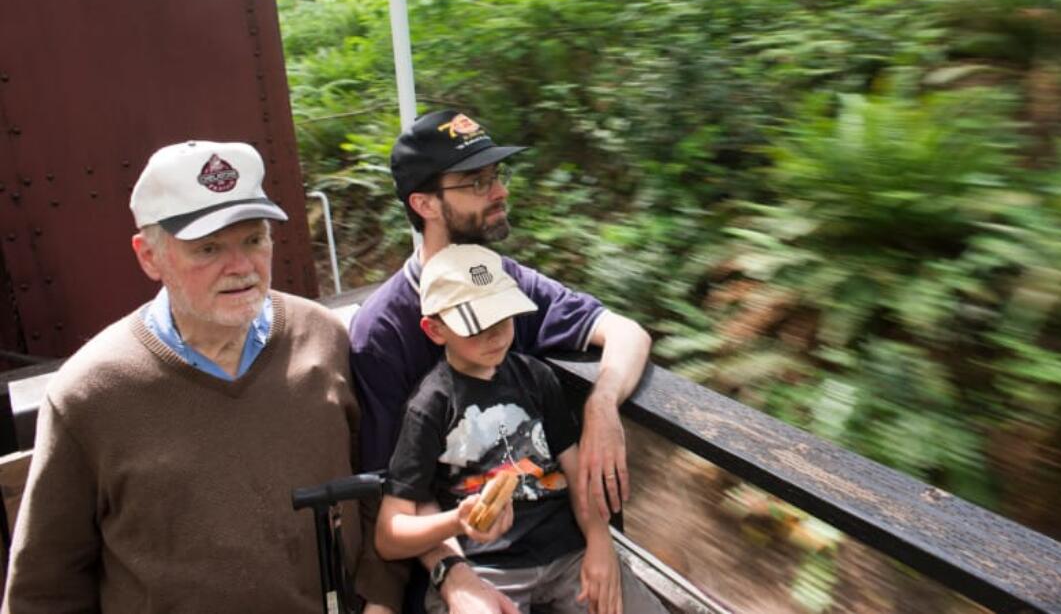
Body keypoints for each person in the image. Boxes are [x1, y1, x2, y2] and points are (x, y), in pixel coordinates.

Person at [1, 140, 394, 613]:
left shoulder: (322, 338)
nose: (242, 267)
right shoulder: (91, 394)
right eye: (208, 248)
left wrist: (382, 598)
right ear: (149, 256)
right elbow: (44, 593)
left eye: (254, 239)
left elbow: (385, 486)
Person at [350, 110, 653, 613]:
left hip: (558, 546)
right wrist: (453, 574)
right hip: (464, 559)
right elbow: (398, 489)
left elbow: (626, 332)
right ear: (424, 203)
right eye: (476, 182)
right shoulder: (382, 332)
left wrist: (602, 403)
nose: (499, 192)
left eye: (496, 177)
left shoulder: (507, 283)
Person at [374, 244, 666, 614]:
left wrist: (599, 543)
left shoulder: (536, 379)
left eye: (504, 317)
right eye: (477, 325)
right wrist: (458, 522)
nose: (495, 335)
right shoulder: (430, 406)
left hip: (568, 555)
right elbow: (389, 535)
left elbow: (577, 475)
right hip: (487, 569)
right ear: (434, 329)